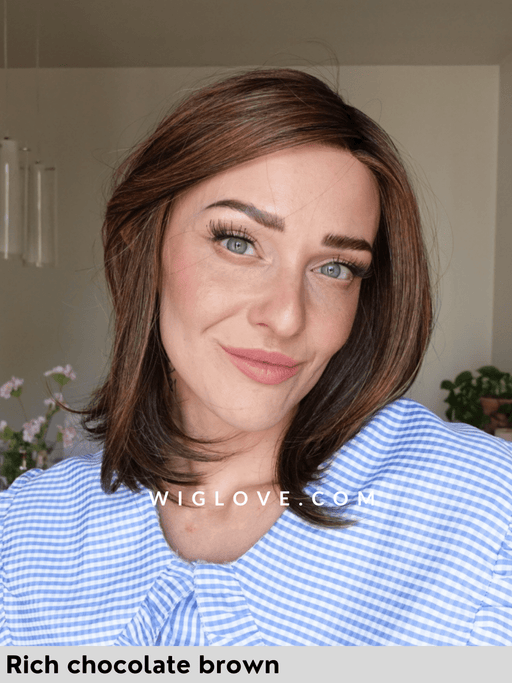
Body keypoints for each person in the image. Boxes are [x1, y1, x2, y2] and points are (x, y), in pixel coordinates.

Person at [1, 68, 511, 646]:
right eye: (239, 243)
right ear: (143, 248)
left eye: (335, 267)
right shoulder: (25, 533)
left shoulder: (485, 515)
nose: (287, 316)